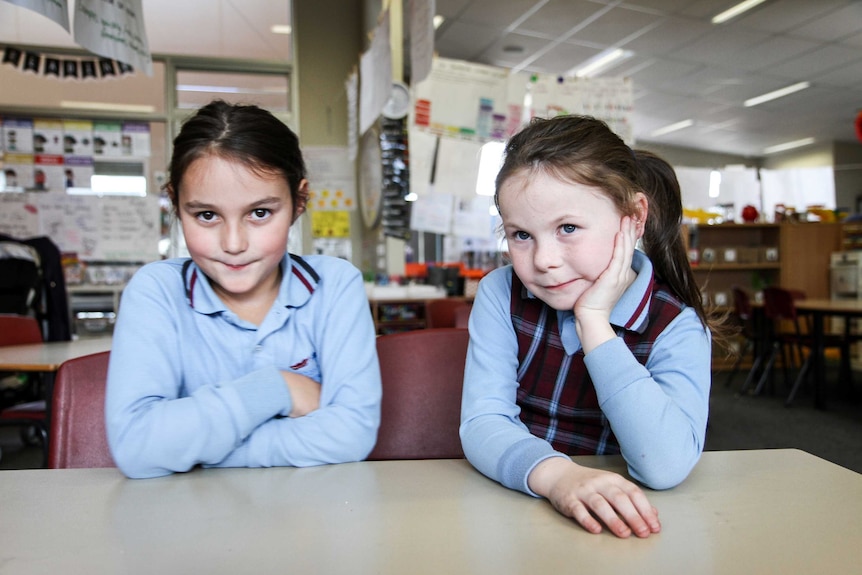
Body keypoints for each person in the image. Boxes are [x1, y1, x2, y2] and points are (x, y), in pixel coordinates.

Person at [460, 115, 725, 539]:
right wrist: (558, 478)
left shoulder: (677, 326)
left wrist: (594, 323)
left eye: (568, 228)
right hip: (518, 503)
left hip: (625, 526)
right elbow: (482, 422)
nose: (543, 259)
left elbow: (665, 466)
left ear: (634, 218)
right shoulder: (501, 293)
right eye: (521, 235)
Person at [106, 100, 381, 479]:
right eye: (206, 215)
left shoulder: (335, 285)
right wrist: (276, 387)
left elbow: (353, 435)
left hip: (311, 522)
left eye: (260, 213)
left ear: (299, 201)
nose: (233, 243)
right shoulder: (156, 292)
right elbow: (137, 447)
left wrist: (193, 449)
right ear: (175, 202)